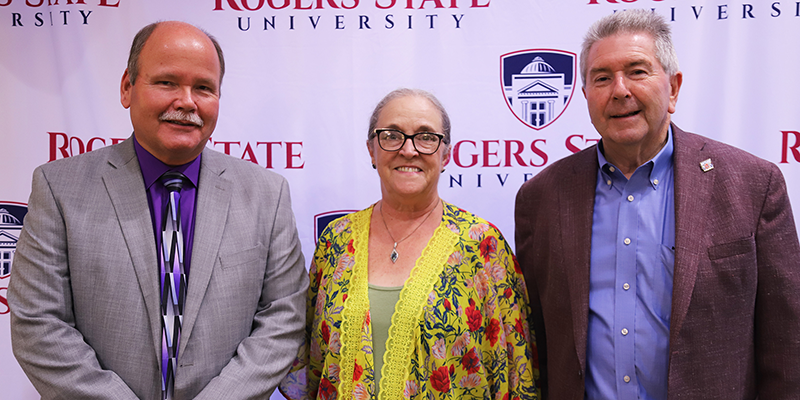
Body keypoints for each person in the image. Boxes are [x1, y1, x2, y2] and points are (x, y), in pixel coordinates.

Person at [8, 21, 308, 400]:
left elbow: (284, 317)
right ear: (127, 88)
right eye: (166, 82)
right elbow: (39, 324)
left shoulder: (267, 193)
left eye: (203, 87)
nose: (186, 101)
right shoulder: (59, 187)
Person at [515, 9, 800, 400]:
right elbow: (535, 345)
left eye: (637, 71)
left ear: (674, 88)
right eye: (601, 78)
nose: (619, 90)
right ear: (585, 96)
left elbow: (787, 346)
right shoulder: (542, 199)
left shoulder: (752, 185)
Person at [280, 88, 538, 400]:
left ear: (446, 155)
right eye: (392, 135)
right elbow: (308, 362)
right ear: (372, 150)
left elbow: (518, 371)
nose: (409, 150)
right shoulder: (336, 240)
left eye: (426, 137)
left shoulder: (483, 245)